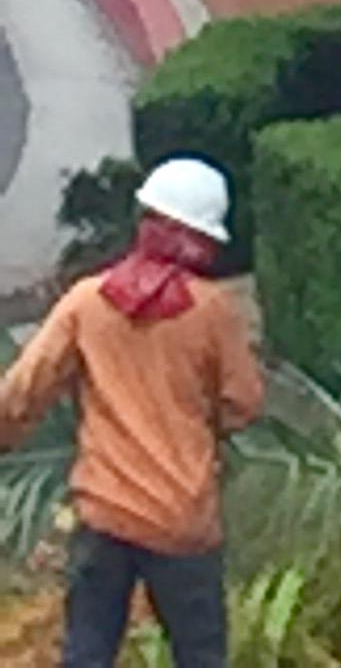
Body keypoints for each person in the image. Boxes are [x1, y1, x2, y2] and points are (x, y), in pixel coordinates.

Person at [0, 156, 263, 668]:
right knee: (201, 655)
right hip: (183, 522)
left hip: (105, 515)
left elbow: (23, 392)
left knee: (88, 653)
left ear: (146, 220)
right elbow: (243, 404)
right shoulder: (213, 311)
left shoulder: (86, 302)